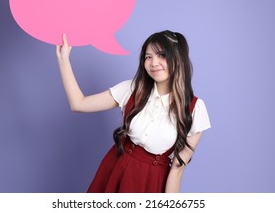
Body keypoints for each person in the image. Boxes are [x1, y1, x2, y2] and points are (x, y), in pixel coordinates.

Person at [56, 30, 211, 193]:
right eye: (148, 56)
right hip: (116, 170)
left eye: (161, 55)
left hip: (151, 183)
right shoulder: (133, 89)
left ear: (178, 58)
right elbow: (79, 103)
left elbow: (177, 170)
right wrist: (63, 61)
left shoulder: (195, 110)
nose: (153, 63)